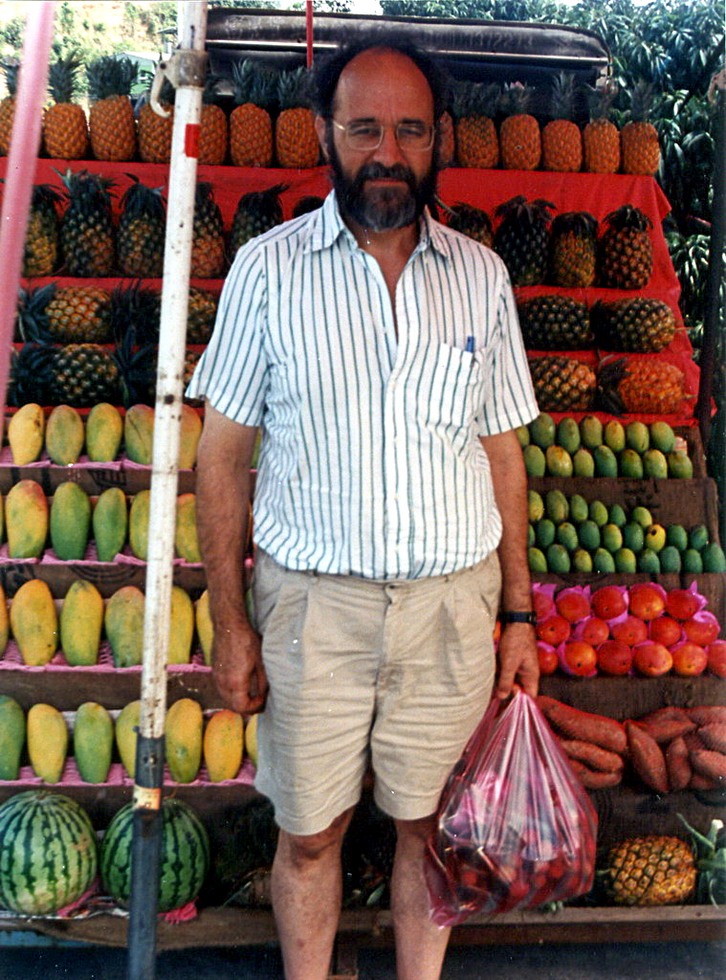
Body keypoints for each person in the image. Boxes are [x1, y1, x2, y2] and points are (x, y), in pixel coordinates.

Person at [188, 33, 540, 980]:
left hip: (449, 613)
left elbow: (501, 451)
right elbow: (221, 460)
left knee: (429, 832)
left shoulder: (481, 277)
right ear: (325, 134)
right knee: (310, 835)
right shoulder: (268, 272)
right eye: (365, 127)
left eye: (411, 129)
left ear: (440, 139)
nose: (388, 151)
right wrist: (230, 624)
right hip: (314, 611)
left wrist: (517, 614)